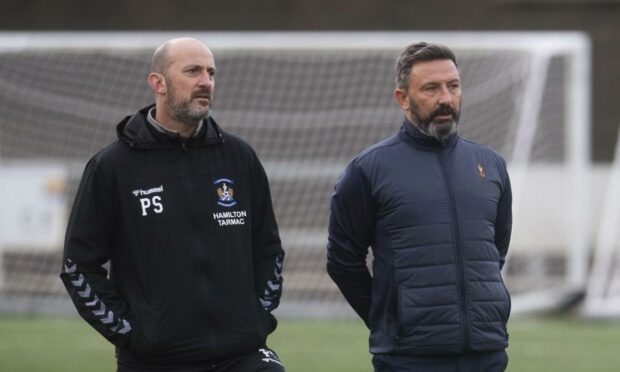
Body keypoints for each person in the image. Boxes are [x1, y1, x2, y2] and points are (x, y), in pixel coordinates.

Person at [60, 37, 285, 372]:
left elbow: (268, 249)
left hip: (242, 353)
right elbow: (79, 264)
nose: (205, 82)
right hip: (155, 360)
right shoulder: (113, 167)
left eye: (211, 72)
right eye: (193, 71)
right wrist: (133, 333)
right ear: (158, 83)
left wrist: (256, 314)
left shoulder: (239, 158)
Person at [326, 42, 512, 372]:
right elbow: (343, 261)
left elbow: (495, 248)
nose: (445, 99)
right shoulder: (369, 169)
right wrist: (390, 319)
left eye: (453, 86)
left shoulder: (490, 164)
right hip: (408, 358)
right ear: (403, 98)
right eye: (431, 88)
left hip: (487, 351)